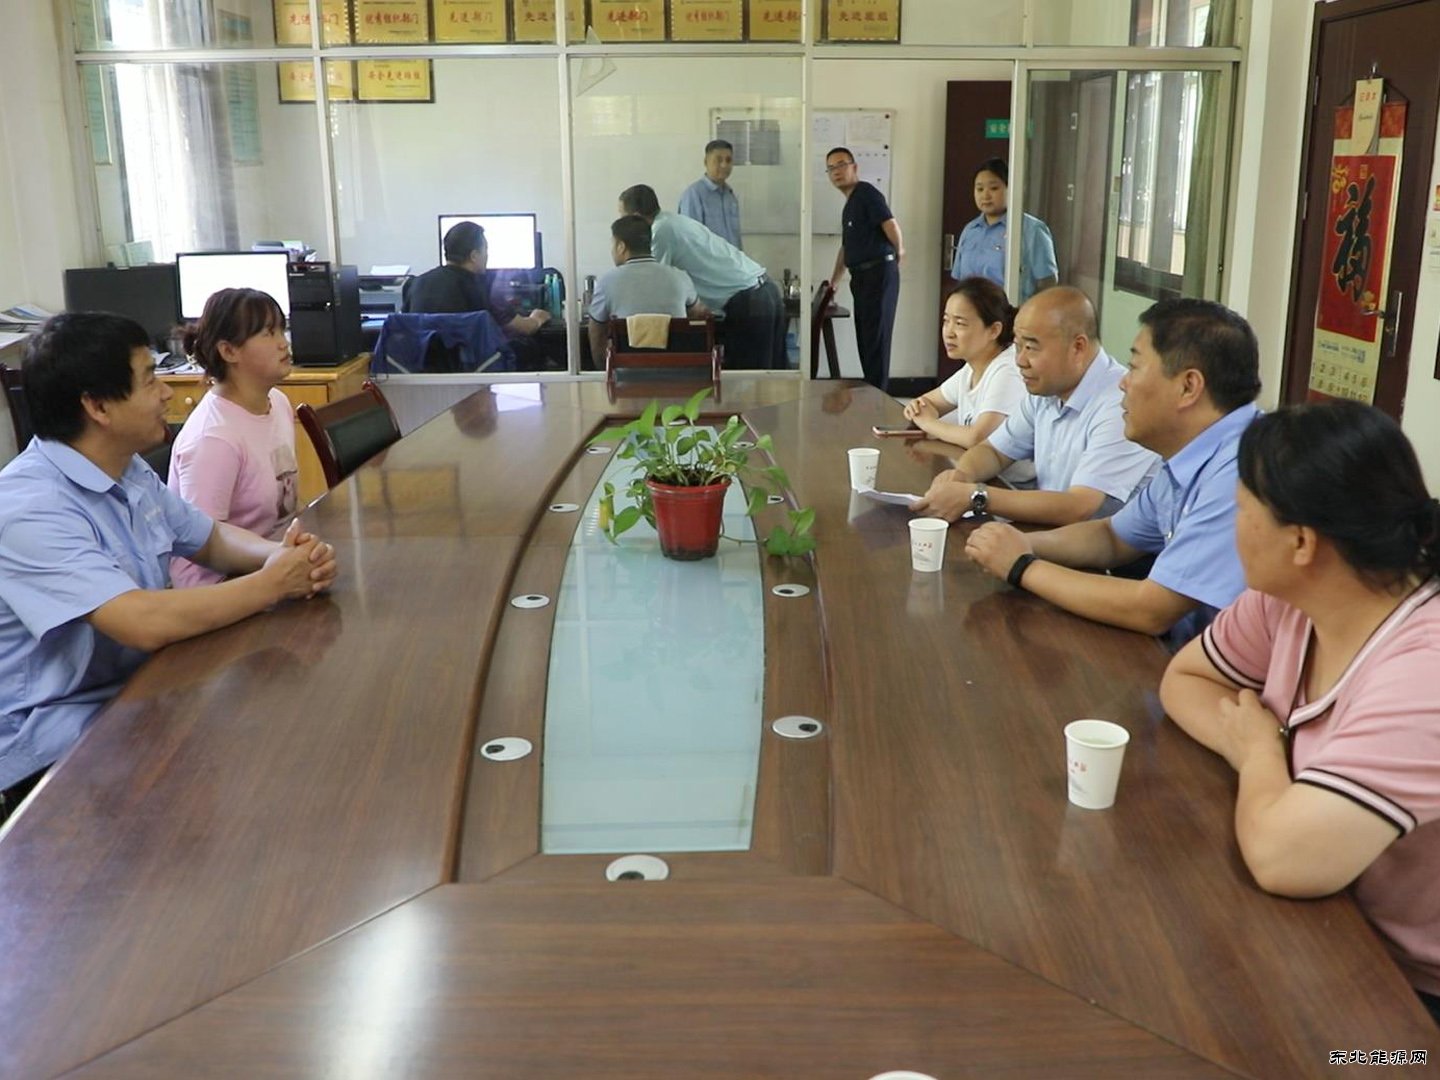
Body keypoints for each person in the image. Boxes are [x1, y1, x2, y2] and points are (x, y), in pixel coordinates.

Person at [1159, 401, 1440, 1026]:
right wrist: (1258, 764)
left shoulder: (1424, 672)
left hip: (1413, 997)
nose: (1233, 526)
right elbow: (1186, 679)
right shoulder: (1287, 599)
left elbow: (1284, 859)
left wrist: (1259, 751)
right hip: (1328, 928)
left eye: (1241, 510)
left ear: (1302, 542)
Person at [0, 313, 338, 823]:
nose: (165, 393)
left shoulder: (126, 468)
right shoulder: (28, 508)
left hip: (144, 694)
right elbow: (141, 621)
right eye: (149, 380)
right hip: (57, 747)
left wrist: (280, 557)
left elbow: (211, 538)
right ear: (97, 407)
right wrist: (271, 585)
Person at [965, 298, 1263, 645]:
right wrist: (1019, 544)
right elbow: (1113, 537)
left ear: (1188, 387)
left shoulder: (1243, 470)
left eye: (1135, 367)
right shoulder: (1191, 455)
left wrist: (1021, 566)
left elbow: (1152, 610)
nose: (1123, 383)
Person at [912, 286, 1157, 526]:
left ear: (1078, 347)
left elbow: (1079, 507)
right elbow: (993, 451)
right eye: (1017, 346)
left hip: (1103, 549)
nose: (1020, 361)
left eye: (1030, 347)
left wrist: (976, 496)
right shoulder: (1046, 389)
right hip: (1052, 534)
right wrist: (961, 476)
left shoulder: (1120, 403)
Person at [167, 288, 299, 588]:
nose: (283, 343)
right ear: (229, 351)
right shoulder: (213, 438)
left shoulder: (277, 402)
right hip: (220, 587)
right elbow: (203, 546)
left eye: (282, 329)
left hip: (273, 564)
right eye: (268, 333)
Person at [619, 184, 784, 370]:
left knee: (750, 379)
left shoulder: (661, 231)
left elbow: (656, 282)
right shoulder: (673, 221)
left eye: (623, 218)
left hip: (749, 301)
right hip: (764, 290)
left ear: (636, 217)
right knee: (773, 375)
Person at [901, 277, 1035, 487]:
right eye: (946, 321)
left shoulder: (1008, 370)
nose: (949, 332)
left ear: (994, 330)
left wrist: (929, 424)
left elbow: (979, 438)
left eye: (960, 324)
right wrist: (920, 411)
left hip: (1013, 488)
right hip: (981, 477)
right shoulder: (971, 367)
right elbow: (927, 403)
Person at [402, 220, 553, 370]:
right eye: (485, 250)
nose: (487, 255)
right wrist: (537, 318)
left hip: (423, 371)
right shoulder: (484, 287)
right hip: (471, 370)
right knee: (532, 347)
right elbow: (524, 328)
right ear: (474, 256)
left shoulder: (415, 283)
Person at [826, 147, 904, 392]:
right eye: (831, 168)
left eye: (841, 165)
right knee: (866, 336)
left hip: (878, 274)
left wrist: (899, 252)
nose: (836, 172)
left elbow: (890, 224)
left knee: (876, 338)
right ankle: (871, 392)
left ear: (854, 167)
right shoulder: (850, 204)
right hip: (860, 277)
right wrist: (834, 282)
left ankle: (879, 397)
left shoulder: (867, 193)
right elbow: (846, 248)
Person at [588, 215, 704, 362]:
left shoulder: (607, 281)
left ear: (621, 247)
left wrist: (603, 367)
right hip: (676, 368)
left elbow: (596, 331)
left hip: (627, 371)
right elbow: (699, 315)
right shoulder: (680, 277)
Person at [952, 157, 1058, 302]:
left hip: (1011, 310)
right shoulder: (970, 230)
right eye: (980, 189)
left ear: (1011, 189)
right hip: (972, 311)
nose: (985, 195)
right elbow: (959, 279)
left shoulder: (1032, 230)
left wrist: (1028, 312)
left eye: (994, 188)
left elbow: (1047, 282)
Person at [678, 138, 742, 250]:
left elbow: (736, 237)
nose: (724, 165)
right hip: (707, 261)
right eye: (718, 160)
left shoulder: (730, 195)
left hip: (732, 260)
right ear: (706, 162)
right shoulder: (693, 195)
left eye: (728, 160)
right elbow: (689, 241)